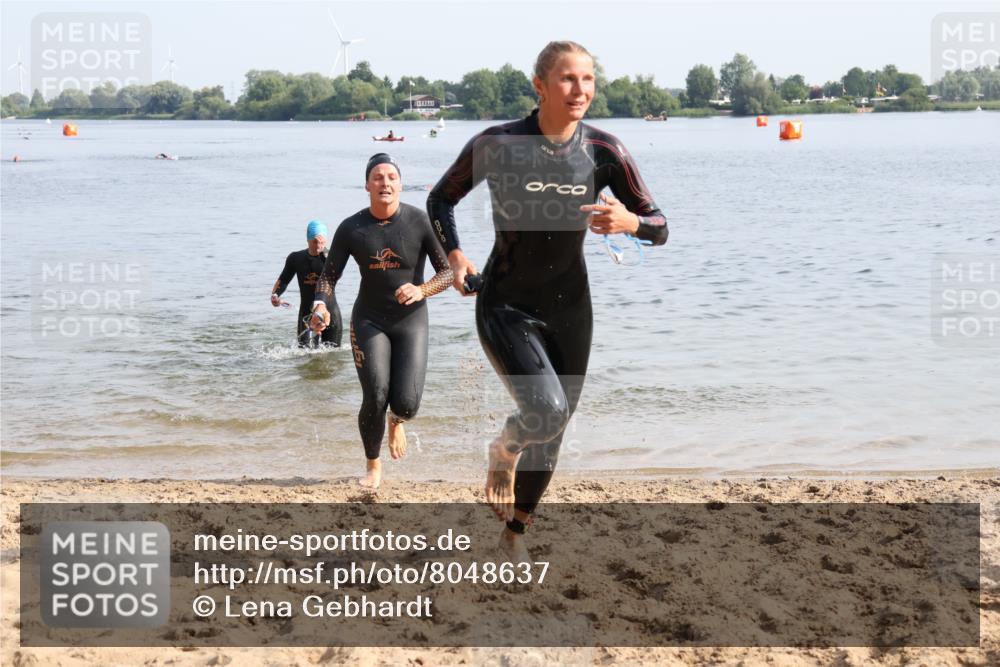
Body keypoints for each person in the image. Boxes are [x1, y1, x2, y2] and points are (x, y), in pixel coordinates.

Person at [426, 41, 669, 560]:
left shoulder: (604, 151)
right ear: (540, 84)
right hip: (506, 302)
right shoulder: (499, 143)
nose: (580, 90)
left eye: (587, 79)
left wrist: (631, 223)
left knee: (554, 430)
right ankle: (504, 448)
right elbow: (440, 198)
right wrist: (456, 257)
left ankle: (514, 533)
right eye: (567, 79)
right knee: (546, 410)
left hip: (569, 308)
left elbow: (660, 226)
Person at [311, 154, 453, 490]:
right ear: (367, 185)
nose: (385, 182)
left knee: (406, 404)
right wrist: (321, 306)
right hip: (369, 319)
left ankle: (397, 421)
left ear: (400, 184)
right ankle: (373, 466)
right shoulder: (351, 228)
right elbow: (328, 278)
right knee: (375, 394)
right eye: (377, 177)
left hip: (411, 321)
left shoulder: (419, 222)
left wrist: (421, 289)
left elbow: (446, 273)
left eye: (391, 176)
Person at [271, 220, 343, 348]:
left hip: (330, 314)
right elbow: (283, 280)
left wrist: (327, 254)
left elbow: (336, 275)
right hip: (306, 315)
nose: (319, 245)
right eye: (315, 241)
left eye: (322, 241)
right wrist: (275, 295)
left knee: (333, 357)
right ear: (308, 240)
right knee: (304, 354)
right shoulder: (296, 258)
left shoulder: (330, 257)